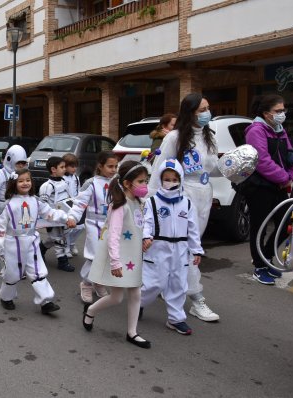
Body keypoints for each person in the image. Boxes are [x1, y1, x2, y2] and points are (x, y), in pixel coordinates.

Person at [149, 93, 220, 322]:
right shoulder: (175, 138)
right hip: (181, 197)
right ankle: (196, 298)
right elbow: (159, 171)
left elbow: (212, 168)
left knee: (187, 246)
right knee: (190, 247)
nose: (207, 113)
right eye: (202, 110)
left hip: (204, 195)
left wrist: (235, 168)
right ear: (189, 113)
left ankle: (168, 286)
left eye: (208, 108)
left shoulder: (210, 137)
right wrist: (150, 203)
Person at [83, 160, 151, 349]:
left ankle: (132, 332)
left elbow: (141, 226)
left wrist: (146, 238)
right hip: (121, 258)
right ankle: (91, 310)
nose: (145, 185)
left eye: (146, 181)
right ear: (128, 183)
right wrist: (115, 262)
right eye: (141, 181)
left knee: (136, 294)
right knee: (117, 298)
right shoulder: (120, 206)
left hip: (134, 257)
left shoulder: (139, 203)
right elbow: (113, 236)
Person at [0, 169, 77, 313]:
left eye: (28, 180)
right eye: (21, 181)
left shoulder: (35, 201)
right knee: (13, 273)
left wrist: (66, 218)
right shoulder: (9, 205)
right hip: (13, 244)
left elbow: (50, 213)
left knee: (38, 271)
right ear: (14, 183)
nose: (25, 183)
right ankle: (6, 297)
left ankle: (46, 301)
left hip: (31, 241)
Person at [141, 159, 204, 335]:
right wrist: (146, 236)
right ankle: (138, 304)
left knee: (178, 284)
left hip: (180, 250)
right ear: (160, 180)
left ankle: (176, 319)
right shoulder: (152, 202)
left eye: (174, 179)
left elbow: (193, 229)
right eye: (166, 179)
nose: (170, 182)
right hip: (157, 247)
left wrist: (196, 249)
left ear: (181, 180)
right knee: (153, 283)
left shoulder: (187, 203)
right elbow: (146, 222)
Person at [242, 94, 293, 285]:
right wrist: (283, 177)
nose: (282, 114)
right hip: (260, 187)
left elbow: (290, 155)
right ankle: (259, 266)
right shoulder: (255, 130)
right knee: (260, 227)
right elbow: (261, 161)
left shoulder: (279, 130)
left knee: (286, 224)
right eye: (278, 111)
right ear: (266, 114)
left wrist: (290, 175)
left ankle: (265, 257)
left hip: (279, 186)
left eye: (284, 110)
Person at [68, 151, 118, 303]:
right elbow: (79, 203)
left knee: (109, 257)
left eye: (116, 166)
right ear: (100, 166)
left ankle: (99, 282)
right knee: (95, 257)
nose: (113, 169)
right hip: (95, 225)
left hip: (113, 225)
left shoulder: (118, 183)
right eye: (110, 166)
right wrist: (72, 217)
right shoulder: (91, 183)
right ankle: (87, 283)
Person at [39, 156, 74, 272]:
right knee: (59, 239)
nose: (65, 169)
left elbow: (69, 198)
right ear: (53, 169)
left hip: (64, 216)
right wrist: (46, 218)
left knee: (57, 237)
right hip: (53, 217)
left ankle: (41, 248)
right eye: (62, 167)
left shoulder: (64, 182)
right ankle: (62, 261)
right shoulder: (47, 186)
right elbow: (42, 204)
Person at [0, 145, 28, 223]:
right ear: (10, 160)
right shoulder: (0, 173)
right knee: (1, 233)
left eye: (23, 163)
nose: (21, 165)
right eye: (18, 163)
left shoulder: (24, 175)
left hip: (19, 208)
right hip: (3, 209)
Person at [62, 153, 84, 258]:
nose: (74, 168)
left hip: (75, 205)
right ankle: (66, 247)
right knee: (67, 229)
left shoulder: (76, 177)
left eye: (76, 166)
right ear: (64, 166)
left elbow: (78, 191)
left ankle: (71, 243)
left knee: (79, 227)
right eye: (72, 166)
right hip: (64, 205)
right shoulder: (61, 178)